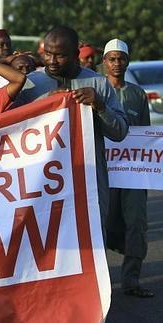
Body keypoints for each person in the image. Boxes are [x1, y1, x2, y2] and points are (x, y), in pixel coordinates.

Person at [13, 25, 128, 223]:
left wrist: (99, 105)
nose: (51, 61)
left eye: (59, 55)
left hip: (88, 178)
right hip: (43, 181)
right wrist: (44, 104)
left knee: (92, 236)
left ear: (75, 54)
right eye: (47, 53)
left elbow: (120, 132)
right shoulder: (30, 84)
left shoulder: (98, 83)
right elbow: (12, 129)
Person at [102, 38, 153, 298]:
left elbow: (145, 134)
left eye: (121, 59)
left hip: (133, 170)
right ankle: (98, 285)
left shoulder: (137, 94)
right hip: (104, 171)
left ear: (127, 61)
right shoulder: (96, 91)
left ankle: (132, 281)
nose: (117, 63)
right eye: (112, 59)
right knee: (102, 225)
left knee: (137, 224)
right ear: (104, 62)